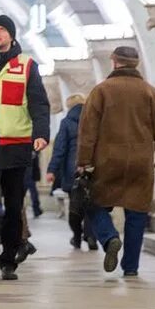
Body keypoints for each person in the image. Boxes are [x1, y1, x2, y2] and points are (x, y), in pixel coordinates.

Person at [77, 47, 155, 277]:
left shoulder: (101, 91)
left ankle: (109, 238)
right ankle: (131, 267)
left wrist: (83, 161)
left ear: (114, 62)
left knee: (95, 205)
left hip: (106, 161)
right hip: (141, 161)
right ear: (136, 64)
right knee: (137, 213)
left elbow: (88, 131)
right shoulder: (151, 93)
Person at [0, 15, 50, 281]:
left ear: (12, 36)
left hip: (17, 146)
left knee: (15, 207)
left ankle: (9, 258)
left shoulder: (27, 66)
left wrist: (41, 133)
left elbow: (39, 103)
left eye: (2, 29)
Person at [48, 94, 96, 249]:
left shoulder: (67, 123)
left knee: (75, 207)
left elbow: (60, 149)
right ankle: (91, 237)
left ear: (69, 106)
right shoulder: (95, 120)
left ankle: (76, 236)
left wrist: (52, 170)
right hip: (93, 169)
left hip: (73, 171)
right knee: (91, 205)